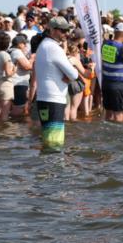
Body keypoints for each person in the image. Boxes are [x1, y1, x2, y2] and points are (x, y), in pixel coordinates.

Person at [34, 16, 79, 150]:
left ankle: (46, 162)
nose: (66, 33)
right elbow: (74, 74)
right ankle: (53, 163)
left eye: (67, 30)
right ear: (52, 30)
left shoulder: (43, 45)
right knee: (55, 142)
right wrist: (74, 67)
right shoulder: (53, 48)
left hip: (44, 99)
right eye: (62, 30)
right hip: (54, 100)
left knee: (48, 138)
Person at [8, 34, 33, 118]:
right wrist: (33, 59)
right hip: (18, 83)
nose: (25, 46)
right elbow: (27, 67)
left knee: (13, 107)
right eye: (24, 44)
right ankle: (14, 125)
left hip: (13, 82)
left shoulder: (9, 50)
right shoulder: (17, 52)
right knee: (18, 108)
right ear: (19, 44)